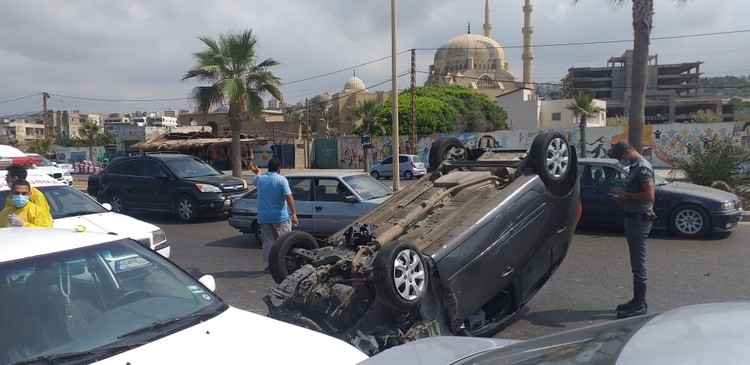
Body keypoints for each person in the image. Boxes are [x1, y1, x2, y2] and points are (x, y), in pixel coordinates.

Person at [607, 140, 656, 319]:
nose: (621, 160)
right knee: (635, 263)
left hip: (639, 221)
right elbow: (638, 195)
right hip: (632, 218)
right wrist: (623, 198)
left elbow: (649, 195)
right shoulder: (635, 167)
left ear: (628, 151)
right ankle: (637, 300)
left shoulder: (643, 168)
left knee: (638, 263)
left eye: (621, 157)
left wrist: (625, 194)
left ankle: (640, 304)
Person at [250, 158, 298, 273]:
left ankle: (270, 267)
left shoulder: (261, 179)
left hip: (264, 218)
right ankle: (283, 265)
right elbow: (288, 196)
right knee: (284, 242)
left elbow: (255, 180)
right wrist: (294, 213)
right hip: (280, 218)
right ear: (279, 169)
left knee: (268, 242)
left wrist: (258, 172)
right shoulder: (281, 180)